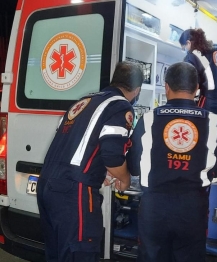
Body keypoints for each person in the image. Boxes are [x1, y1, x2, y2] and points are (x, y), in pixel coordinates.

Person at [36, 61, 144, 262]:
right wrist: (125, 179)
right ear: (137, 90)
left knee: (58, 254)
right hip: (73, 193)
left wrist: (97, 171)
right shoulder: (120, 106)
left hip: (48, 186)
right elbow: (112, 156)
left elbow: (78, 147)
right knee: (80, 252)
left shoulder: (84, 101)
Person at [127, 62, 217, 262]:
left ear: (166, 87)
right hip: (192, 207)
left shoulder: (148, 119)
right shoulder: (213, 121)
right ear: (197, 89)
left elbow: (133, 166)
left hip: (154, 206)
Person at [179, 28, 217, 119]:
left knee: (209, 131)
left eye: (184, 48)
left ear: (188, 43)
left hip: (209, 105)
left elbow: (189, 84)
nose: (185, 50)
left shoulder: (192, 56)